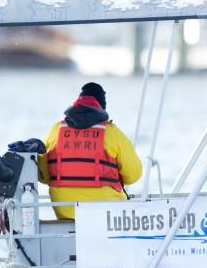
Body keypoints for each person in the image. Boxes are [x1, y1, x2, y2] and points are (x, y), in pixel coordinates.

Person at [38, 82, 142, 220]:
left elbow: (43, 176)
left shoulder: (56, 130)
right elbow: (134, 175)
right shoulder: (111, 133)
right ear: (101, 108)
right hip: (107, 216)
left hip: (66, 214)